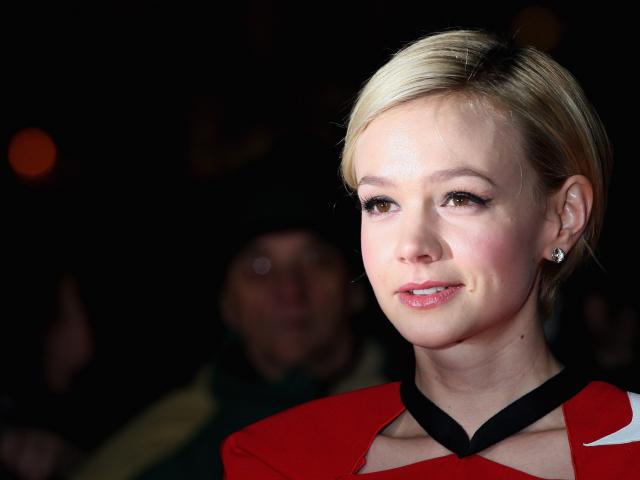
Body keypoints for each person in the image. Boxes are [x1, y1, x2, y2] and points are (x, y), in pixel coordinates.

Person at [221, 29, 640, 479]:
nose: (412, 247)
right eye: (381, 204)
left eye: (460, 198)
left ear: (563, 216)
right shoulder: (278, 459)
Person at [69, 133, 398, 480]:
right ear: (228, 303)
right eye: (259, 267)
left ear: (356, 287)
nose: (289, 289)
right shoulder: (164, 448)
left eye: (315, 260)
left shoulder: (417, 415)